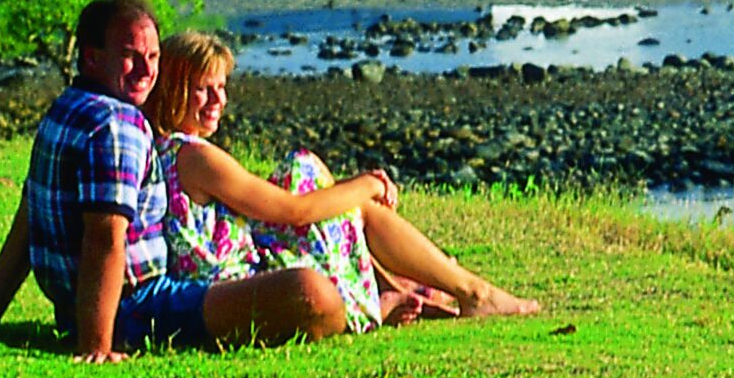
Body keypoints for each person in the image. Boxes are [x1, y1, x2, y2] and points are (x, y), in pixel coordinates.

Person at [0, 0, 345, 359]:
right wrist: (97, 346)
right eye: (130, 57)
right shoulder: (118, 125)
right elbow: (105, 237)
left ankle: (382, 297)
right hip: (138, 310)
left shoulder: (65, 110)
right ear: (92, 57)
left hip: (76, 311)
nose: (148, 71)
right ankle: (372, 307)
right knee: (312, 292)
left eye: (153, 57)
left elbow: (27, 220)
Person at [144, 31, 540, 325]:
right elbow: (294, 212)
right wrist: (368, 184)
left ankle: (397, 287)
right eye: (203, 90)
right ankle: (469, 291)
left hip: (239, 264)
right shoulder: (194, 156)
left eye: (222, 87)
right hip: (239, 280)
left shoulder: (169, 149)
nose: (219, 101)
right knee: (351, 206)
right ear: (175, 91)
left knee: (304, 168)